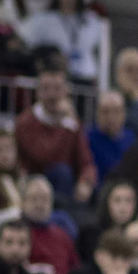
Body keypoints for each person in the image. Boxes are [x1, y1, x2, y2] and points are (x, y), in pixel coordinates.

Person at [14, 67, 96, 203]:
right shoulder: (25, 122)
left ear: (66, 92)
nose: (52, 95)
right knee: (61, 171)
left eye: (57, 89)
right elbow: (43, 157)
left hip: (65, 185)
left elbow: (85, 160)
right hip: (34, 182)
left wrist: (86, 181)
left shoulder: (71, 122)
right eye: (46, 89)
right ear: (38, 93)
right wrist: (61, 124)